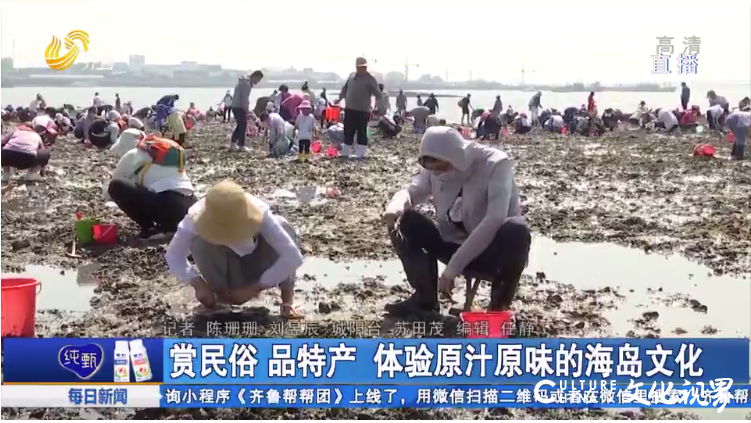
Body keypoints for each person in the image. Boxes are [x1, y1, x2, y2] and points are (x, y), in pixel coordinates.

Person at [381, 127, 530, 315]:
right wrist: (396, 206)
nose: (437, 174)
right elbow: (412, 191)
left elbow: (494, 219)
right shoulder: (435, 164)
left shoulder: (495, 164)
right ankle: (424, 298)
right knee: (406, 220)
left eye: (441, 168)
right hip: (453, 243)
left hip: (492, 253)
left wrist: (452, 269)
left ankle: (498, 308)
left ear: (455, 159)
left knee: (517, 229)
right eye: (431, 169)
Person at [164, 180, 303, 315]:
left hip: (259, 265)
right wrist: (197, 282)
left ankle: (288, 300)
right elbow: (173, 255)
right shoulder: (195, 217)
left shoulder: (260, 212)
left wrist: (256, 287)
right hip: (227, 269)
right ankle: (220, 296)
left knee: (284, 226)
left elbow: (293, 257)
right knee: (199, 241)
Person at [107, 136, 196, 239]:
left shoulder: (132, 154)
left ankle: (152, 228)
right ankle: (170, 225)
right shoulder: (164, 155)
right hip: (191, 205)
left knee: (116, 185)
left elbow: (111, 189)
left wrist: (106, 182)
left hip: (169, 206)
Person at [338, 57, 381, 159]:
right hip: (349, 109)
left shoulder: (370, 79)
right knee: (348, 131)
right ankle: (345, 153)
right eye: (361, 67)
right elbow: (344, 90)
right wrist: (338, 99)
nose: (363, 69)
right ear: (357, 67)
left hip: (362, 111)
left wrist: (377, 106)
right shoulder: (351, 77)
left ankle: (360, 154)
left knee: (361, 132)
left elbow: (378, 94)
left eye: (364, 67)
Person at [231, 71, 264, 152]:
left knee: (240, 126)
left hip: (235, 106)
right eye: (258, 80)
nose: (257, 82)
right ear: (255, 76)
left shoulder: (243, 81)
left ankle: (233, 144)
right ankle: (241, 146)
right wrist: (247, 111)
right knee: (242, 126)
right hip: (239, 107)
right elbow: (244, 99)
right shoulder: (247, 84)